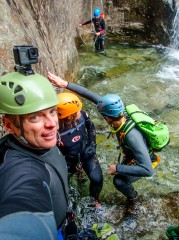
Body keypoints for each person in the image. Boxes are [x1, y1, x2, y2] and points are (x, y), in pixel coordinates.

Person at [47, 71, 161, 214]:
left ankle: (134, 200)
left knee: (119, 181)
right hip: (129, 153)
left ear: (107, 118)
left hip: (145, 160)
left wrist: (118, 168)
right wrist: (65, 84)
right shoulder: (117, 112)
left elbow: (148, 170)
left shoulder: (132, 136)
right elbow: (91, 95)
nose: (80, 113)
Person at [0, 71, 69, 236]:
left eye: (53, 111)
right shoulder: (18, 167)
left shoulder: (37, 141)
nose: (52, 124)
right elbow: (23, 196)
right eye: (35, 117)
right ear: (9, 125)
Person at [56, 92, 103, 207]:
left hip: (85, 152)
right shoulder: (54, 129)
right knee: (63, 189)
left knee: (97, 179)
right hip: (67, 161)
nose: (80, 112)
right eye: (76, 111)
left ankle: (94, 200)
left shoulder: (81, 115)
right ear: (68, 115)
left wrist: (92, 144)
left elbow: (90, 126)